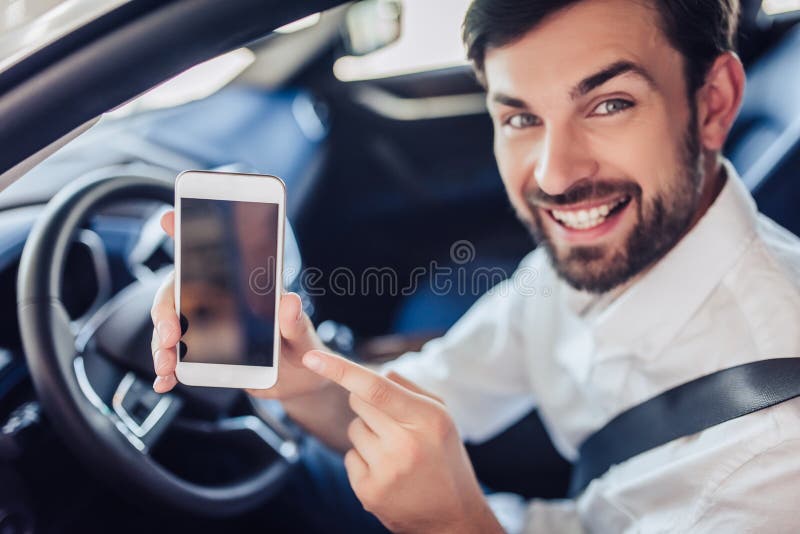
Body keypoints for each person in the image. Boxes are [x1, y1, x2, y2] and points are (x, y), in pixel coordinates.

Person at [150, 0, 800, 531]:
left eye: (609, 104)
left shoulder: (773, 467)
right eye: (520, 117)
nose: (555, 174)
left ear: (713, 103)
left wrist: (455, 525)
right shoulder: (591, 259)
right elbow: (408, 406)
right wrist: (299, 380)